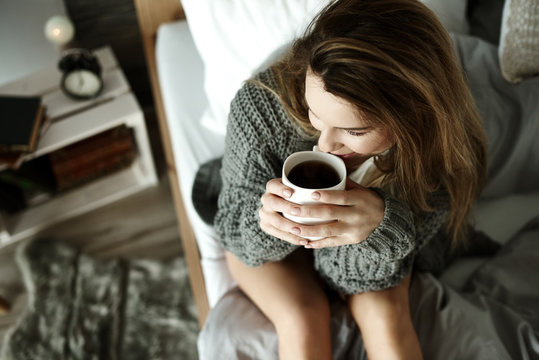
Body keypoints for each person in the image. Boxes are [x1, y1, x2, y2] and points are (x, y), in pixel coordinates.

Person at [214, 0, 488, 358]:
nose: (325, 144)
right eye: (315, 114)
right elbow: (233, 227)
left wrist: (381, 229)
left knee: (386, 315)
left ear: (413, 118)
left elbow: (345, 277)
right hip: (268, 248)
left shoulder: (439, 151)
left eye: (353, 130)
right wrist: (265, 222)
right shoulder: (262, 107)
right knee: (302, 318)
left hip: (367, 260)